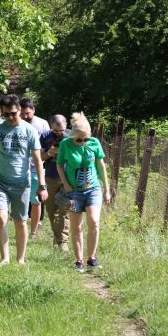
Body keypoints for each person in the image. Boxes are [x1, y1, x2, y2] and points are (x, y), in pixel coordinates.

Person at [0, 94, 48, 265]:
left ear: (19, 110)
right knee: (1, 217)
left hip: (21, 183)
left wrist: (42, 185)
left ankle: (20, 259)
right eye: (6, 114)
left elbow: (37, 160)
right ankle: (5, 258)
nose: (10, 117)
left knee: (20, 221)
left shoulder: (29, 131)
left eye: (13, 113)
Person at [56, 112, 110, 273]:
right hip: (74, 192)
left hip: (93, 189)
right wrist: (66, 185)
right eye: (79, 139)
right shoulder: (66, 144)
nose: (82, 142)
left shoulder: (94, 143)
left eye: (85, 139)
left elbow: (101, 167)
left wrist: (107, 189)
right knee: (76, 227)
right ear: (73, 135)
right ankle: (78, 260)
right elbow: (59, 165)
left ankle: (91, 258)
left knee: (94, 221)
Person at [20, 97, 50, 240]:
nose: (25, 116)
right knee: (21, 200)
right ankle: (22, 228)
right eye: (23, 113)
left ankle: (33, 232)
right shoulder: (17, 123)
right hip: (20, 168)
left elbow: (48, 144)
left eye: (28, 113)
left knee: (36, 200)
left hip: (37, 167)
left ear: (33, 110)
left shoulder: (42, 123)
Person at [40, 114, 71, 252]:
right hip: (50, 176)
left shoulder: (72, 136)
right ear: (51, 125)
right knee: (51, 211)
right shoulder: (44, 136)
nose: (59, 133)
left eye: (62, 130)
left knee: (65, 210)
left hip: (68, 177)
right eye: (56, 131)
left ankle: (63, 242)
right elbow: (40, 157)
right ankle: (57, 237)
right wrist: (50, 152)